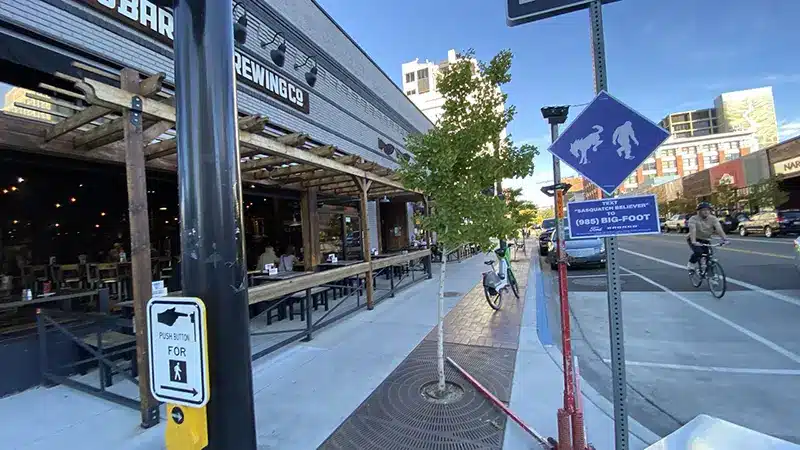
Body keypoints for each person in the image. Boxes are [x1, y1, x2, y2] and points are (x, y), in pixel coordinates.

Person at [687, 202, 729, 271]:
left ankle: (710, 275)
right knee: (699, 252)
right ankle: (691, 263)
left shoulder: (713, 218)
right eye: (703, 210)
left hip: (705, 239)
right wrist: (694, 241)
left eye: (708, 210)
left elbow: (719, 229)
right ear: (698, 211)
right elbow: (693, 230)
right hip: (694, 238)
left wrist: (725, 239)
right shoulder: (693, 219)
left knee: (708, 256)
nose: (706, 211)